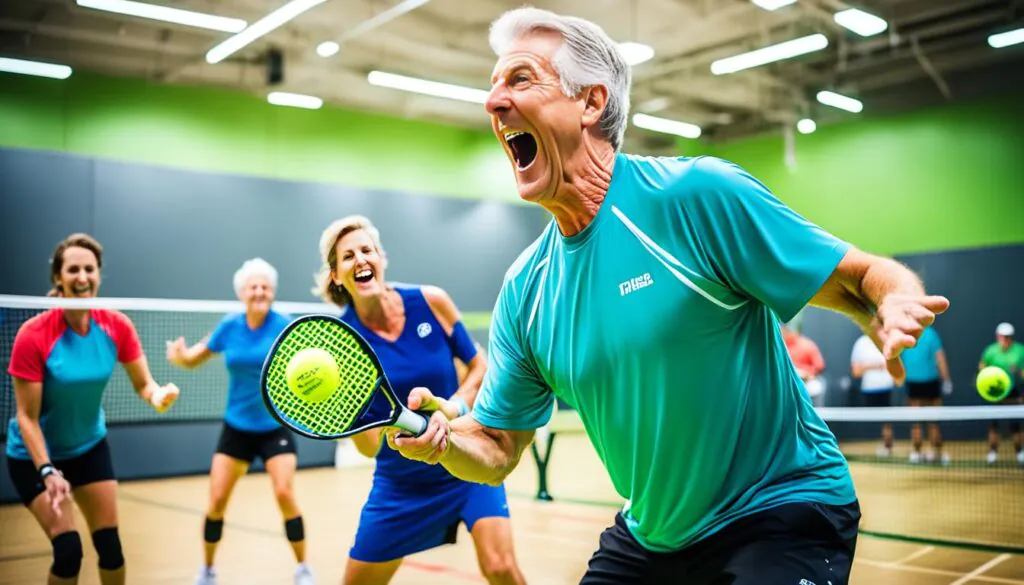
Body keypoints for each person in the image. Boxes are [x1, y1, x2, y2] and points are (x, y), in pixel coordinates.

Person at [383, 8, 951, 585]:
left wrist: (895, 299)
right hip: (653, 535)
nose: (493, 102)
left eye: (520, 79)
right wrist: (443, 440)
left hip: (781, 510)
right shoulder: (526, 289)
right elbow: (499, 444)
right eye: (492, 85)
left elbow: (863, 276)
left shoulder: (696, 198)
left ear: (590, 103)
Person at [312, 215, 526, 585]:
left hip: (463, 460)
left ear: (382, 259)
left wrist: (454, 408)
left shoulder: (430, 301)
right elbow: (366, 447)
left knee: (501, 567)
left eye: (368, 250)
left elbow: (480, 367)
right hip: (401, 485)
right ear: (336, 275)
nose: (361, 260)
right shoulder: (342, 343)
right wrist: (355, 411)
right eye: (348, 256)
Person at [6, 233, 180, 585]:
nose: (82, 277)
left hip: (88, 448)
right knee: (69, 553)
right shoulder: (34, 334)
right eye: (73, 269)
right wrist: (47, 471)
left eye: (89, 269)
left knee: (111, 548)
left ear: (99, 274)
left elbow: (144, 383)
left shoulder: (116, 325)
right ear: (59, 277)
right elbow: (26, 416)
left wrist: (158, 395)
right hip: (35, 457)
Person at [165, 258, 315, 585]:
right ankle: (207, 570)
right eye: (253, 286)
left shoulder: (285, 325)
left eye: (265, 286)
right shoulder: (229, 326)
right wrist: (181, 357)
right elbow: (194, 358)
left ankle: (303, 568)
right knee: (217, 500)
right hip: (236, 428)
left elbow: (311, 367)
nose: (259, 291)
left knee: (285, 493)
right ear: (242, 293)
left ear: (272, 292)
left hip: (275, 425)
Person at [899, 325, 952, 464]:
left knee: (917, 422)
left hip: (917, 382)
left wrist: (898, 377)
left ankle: (920, 453)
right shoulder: (930, 333)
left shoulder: (905, 332)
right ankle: (934, 453)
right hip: (924, 382)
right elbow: (940, 357)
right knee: (932, 422)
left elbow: (896, 357)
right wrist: (946, 379)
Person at [978, 322, 1024, 465]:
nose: (1005, 340)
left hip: (1013, 392)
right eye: (1002, 337)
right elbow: (981, 367)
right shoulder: (990, 351)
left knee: (1016, 427)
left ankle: (1020, 452)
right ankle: (992, 453)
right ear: (998, 337)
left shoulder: (1020, 351)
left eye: (1008, 337)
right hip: (994, 393)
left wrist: (1017, 371)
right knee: (993, 426)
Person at [851, 333, 897, 456]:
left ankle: (887, 448)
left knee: (886, 421)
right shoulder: (861, 343)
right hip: (869, 390)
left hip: (886, 388)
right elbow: (856, 372)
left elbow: (894, 365)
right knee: (878, 421)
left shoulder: (887, 341)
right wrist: (875, 366)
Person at [781, 322, 826, 406]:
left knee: (815, 388)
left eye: (787, 331)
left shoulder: (807, 345)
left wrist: (807, 373)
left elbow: (819, 366)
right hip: (786, 381)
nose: (784, 333)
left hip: (807, 380)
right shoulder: (781, 346)